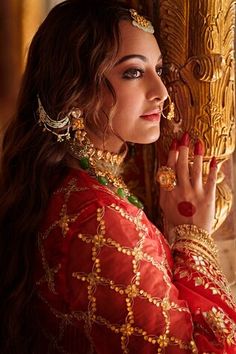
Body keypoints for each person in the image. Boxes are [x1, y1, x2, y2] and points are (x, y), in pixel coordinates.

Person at [0, 0, 235, 353]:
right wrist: (194, 240)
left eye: (158, 68)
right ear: (76, 89)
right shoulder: (97, 219)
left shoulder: (71, 185)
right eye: (133, 73)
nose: (162, 92)